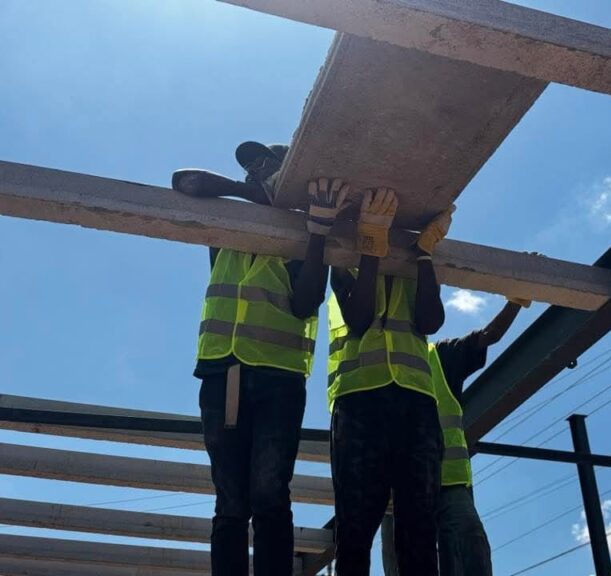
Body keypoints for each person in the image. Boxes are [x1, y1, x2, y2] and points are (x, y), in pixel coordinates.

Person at [172, 142, 349, 576]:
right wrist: (249, 192)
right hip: (222, 371)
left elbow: (306, 302)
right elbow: (184, 181)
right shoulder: (230, 218)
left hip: (278, 376)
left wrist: (317, 233)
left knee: (269, 495)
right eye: (250, 166)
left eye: (265, 164)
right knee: (231, 502)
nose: (254, 170)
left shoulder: (305, 229)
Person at [327, 188, 455, 576]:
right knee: (355, 528)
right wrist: (370, 248)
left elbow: (430, 321)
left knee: (419, 529)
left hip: (415, 403)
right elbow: (359, 318)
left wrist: (424, 255)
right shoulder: (344, 258)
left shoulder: (412, 266)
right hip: (360, 401)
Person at [380, 298, 529, 576]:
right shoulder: (379, 364)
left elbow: (489, 336)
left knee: (469, 546)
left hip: (446, 483)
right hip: (398, 489)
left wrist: (516, 301)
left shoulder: (440, 356)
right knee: (407, 561)